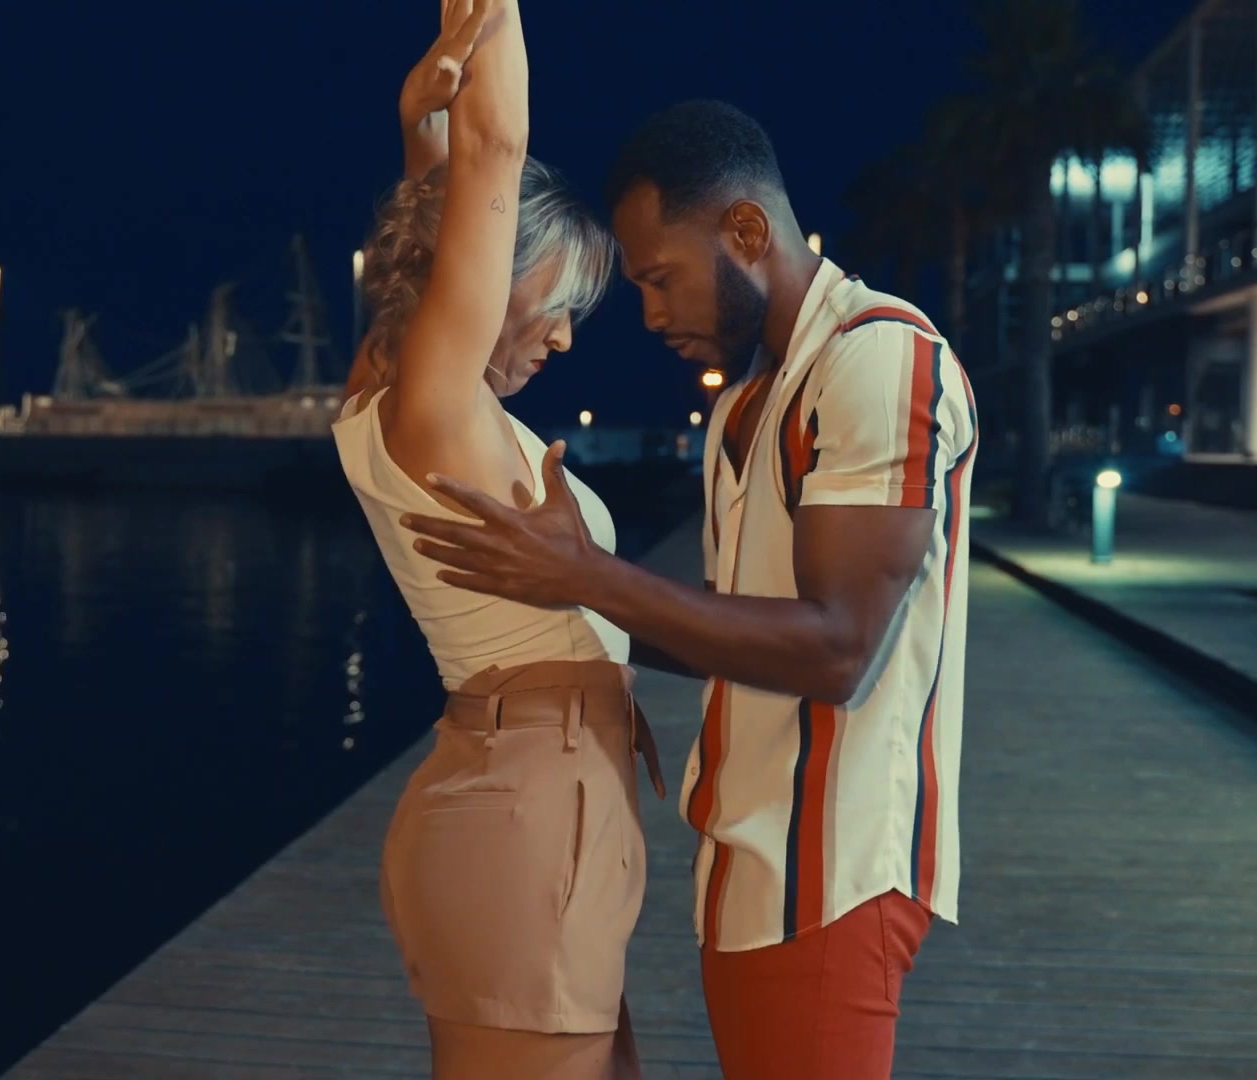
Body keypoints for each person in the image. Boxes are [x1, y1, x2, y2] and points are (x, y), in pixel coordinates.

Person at [399, 98, 979, 1079]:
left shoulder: (881, 356)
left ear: (746, 231)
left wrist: (588, 574)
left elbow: (837, 647)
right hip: (745, 862)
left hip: (829, 874)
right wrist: (559, 602)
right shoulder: (751, 396)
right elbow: (733, 625)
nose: (653, 314)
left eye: (661, 279)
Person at [330, 2, 663, 1077]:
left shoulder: (406, 393)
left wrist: (418, 128)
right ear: (480, 273)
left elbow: (437, 228)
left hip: (541, 802)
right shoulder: (434, 412)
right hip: (528, 810)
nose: (564, 336)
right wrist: (479, 67)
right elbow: (495, 152)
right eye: (555, 301)